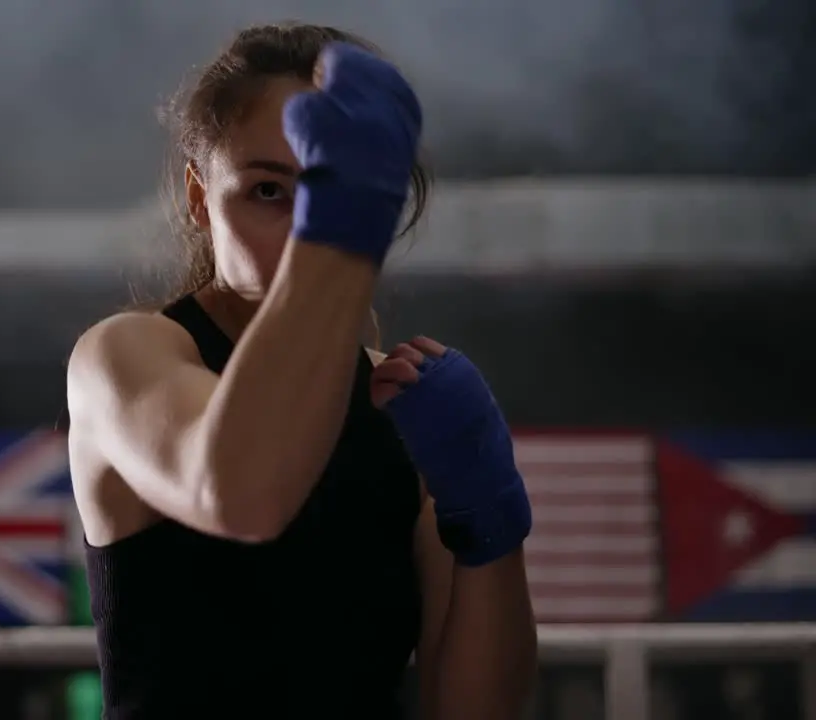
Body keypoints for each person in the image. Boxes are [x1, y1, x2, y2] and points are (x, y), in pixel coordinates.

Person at [66, 23, 537, 719]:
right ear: (200, 199)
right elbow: (238, 491)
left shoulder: (401, 405)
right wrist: (340, 229)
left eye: (321, 191)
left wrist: (493, 519)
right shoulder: (127, 357)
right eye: (266, 191)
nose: (301, 223)